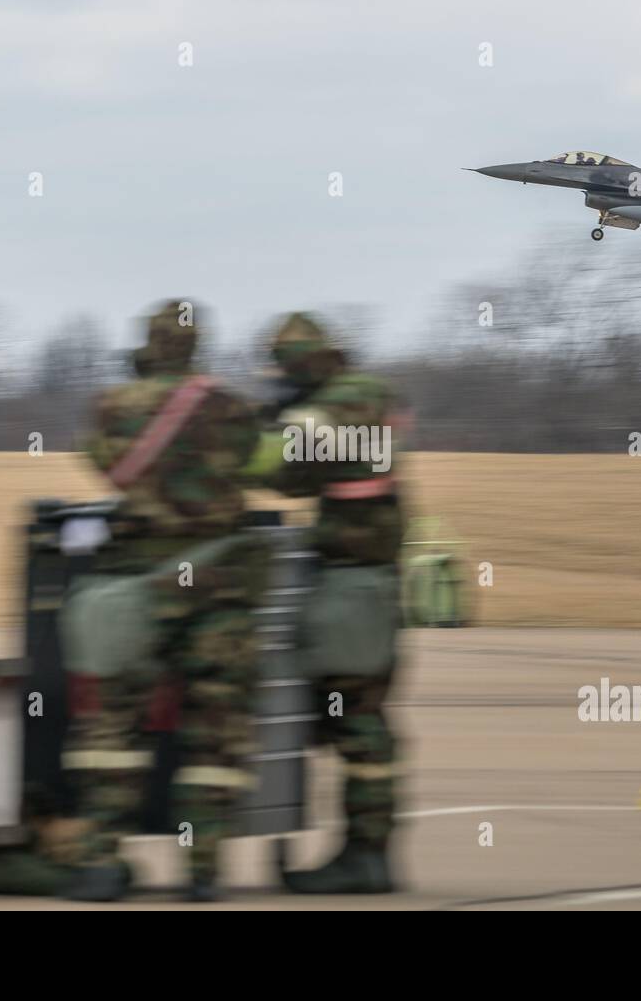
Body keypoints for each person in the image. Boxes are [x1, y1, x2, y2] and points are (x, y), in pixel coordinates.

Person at [57, 299, 265, 902]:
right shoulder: (231, 406)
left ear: (147, 346)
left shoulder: (113, 407)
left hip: (138, 584)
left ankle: (100, 864)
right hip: (218, 583)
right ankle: (202, 872)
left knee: (113, 722)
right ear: (197, 346)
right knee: (215, 731)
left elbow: (100, 461)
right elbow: (251, 462)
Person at [259, 312, 405, 893]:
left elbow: (287, 473)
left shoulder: (349, 399)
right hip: (357, 583)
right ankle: (365, 854)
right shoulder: (356, 394)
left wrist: (268, 426)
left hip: (356, 586)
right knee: (345, 718)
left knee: (357, 722)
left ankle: (366, 857)